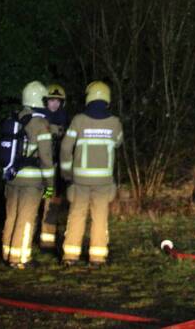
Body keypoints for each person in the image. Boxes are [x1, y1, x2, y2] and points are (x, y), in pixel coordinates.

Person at [60, 80, 123, 266]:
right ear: (107, 99)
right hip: (103, 181)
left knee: (77, 216)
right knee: (100, 218)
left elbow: (65, 147)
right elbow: (118, 142)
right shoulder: (115, 123)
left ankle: (70, 256)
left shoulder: (79, 120)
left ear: (88, 99)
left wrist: (66, 173)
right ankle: (97, 257)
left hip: (79, 180)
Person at [1, 81, 54, 269]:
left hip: (12, 176)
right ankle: (21, 258)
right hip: (32, 181)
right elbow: (46, 158)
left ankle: (8, 253)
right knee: (26, 218)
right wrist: (50, 183)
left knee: (11, 216)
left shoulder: (14, 118)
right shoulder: (41, 124)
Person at [39, 83, 69, 253]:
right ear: (46, 101)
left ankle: (47, 240)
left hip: (55, 174)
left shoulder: (64, 118)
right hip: (41, 171)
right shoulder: (40, 119)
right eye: (52, 100)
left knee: (52, 202)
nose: (55, 104)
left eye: (58, 101)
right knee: (41, 202)